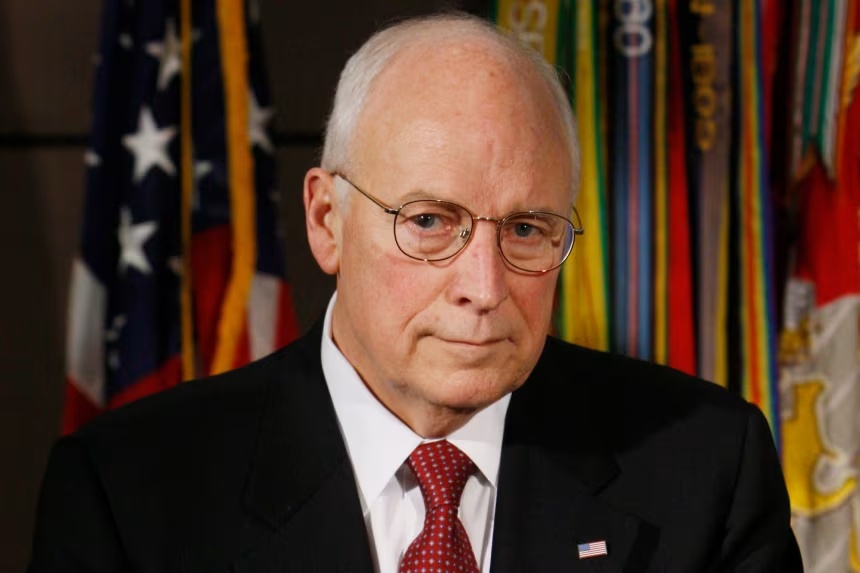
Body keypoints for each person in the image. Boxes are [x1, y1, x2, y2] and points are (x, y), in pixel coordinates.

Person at [29, 13, 802, 573]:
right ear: (326, 221)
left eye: (526, 229)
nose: (484, 287)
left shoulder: (706, 469)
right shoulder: (128, 494)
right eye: (430, 221)